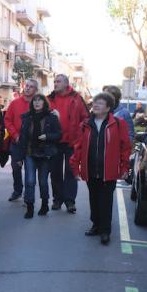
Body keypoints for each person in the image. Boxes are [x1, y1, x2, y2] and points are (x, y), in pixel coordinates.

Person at [70, 92, 132, 245]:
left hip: (108, 171)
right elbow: (78, 147)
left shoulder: (118, 123)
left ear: (108, 108)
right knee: (94, 199)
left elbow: (125, 147)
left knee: (105, 201)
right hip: (90, 169)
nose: (96, 105)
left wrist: (125, 167)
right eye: (95, 102)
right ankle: (96, 225)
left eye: (100, 103)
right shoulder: (85, 124)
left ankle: (105, 231)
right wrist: (75, 167)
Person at [11, 94, 62, 218]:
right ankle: (30, 207)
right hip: (30, 153)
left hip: (45, 154)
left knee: (43, 182)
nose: (37, 103)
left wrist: (47, 136)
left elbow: (58, 135)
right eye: (35, 100)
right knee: (30, 181)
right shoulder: (26, 117)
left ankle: (44, 204)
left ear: (44, 103)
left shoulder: (51, 117)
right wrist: (19, 158)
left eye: (39, 100)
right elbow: (23, 139)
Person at [47, 74, 87, 214]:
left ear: (66, 83)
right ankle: (57, 200)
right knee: (55, 172)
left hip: (72, 142)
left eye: (58, 81)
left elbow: (86, 118)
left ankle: (70, 201)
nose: (55, 84)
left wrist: (79, 132)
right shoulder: (50, 98)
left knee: (71, 172)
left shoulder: (77, 98)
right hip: (55, 141)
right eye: (54, 81)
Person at [4, 78, 39, 202]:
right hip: (17, 142)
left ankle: (28, 196)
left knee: (30, 171)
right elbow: (7, 120)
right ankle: (17, 190)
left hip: (31, 144)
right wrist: (15, 135)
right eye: (27, 86)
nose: (27, 88)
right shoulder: (15, 103)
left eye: (31, 86)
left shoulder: (38, 104)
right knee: (16, 168)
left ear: (36, 90)